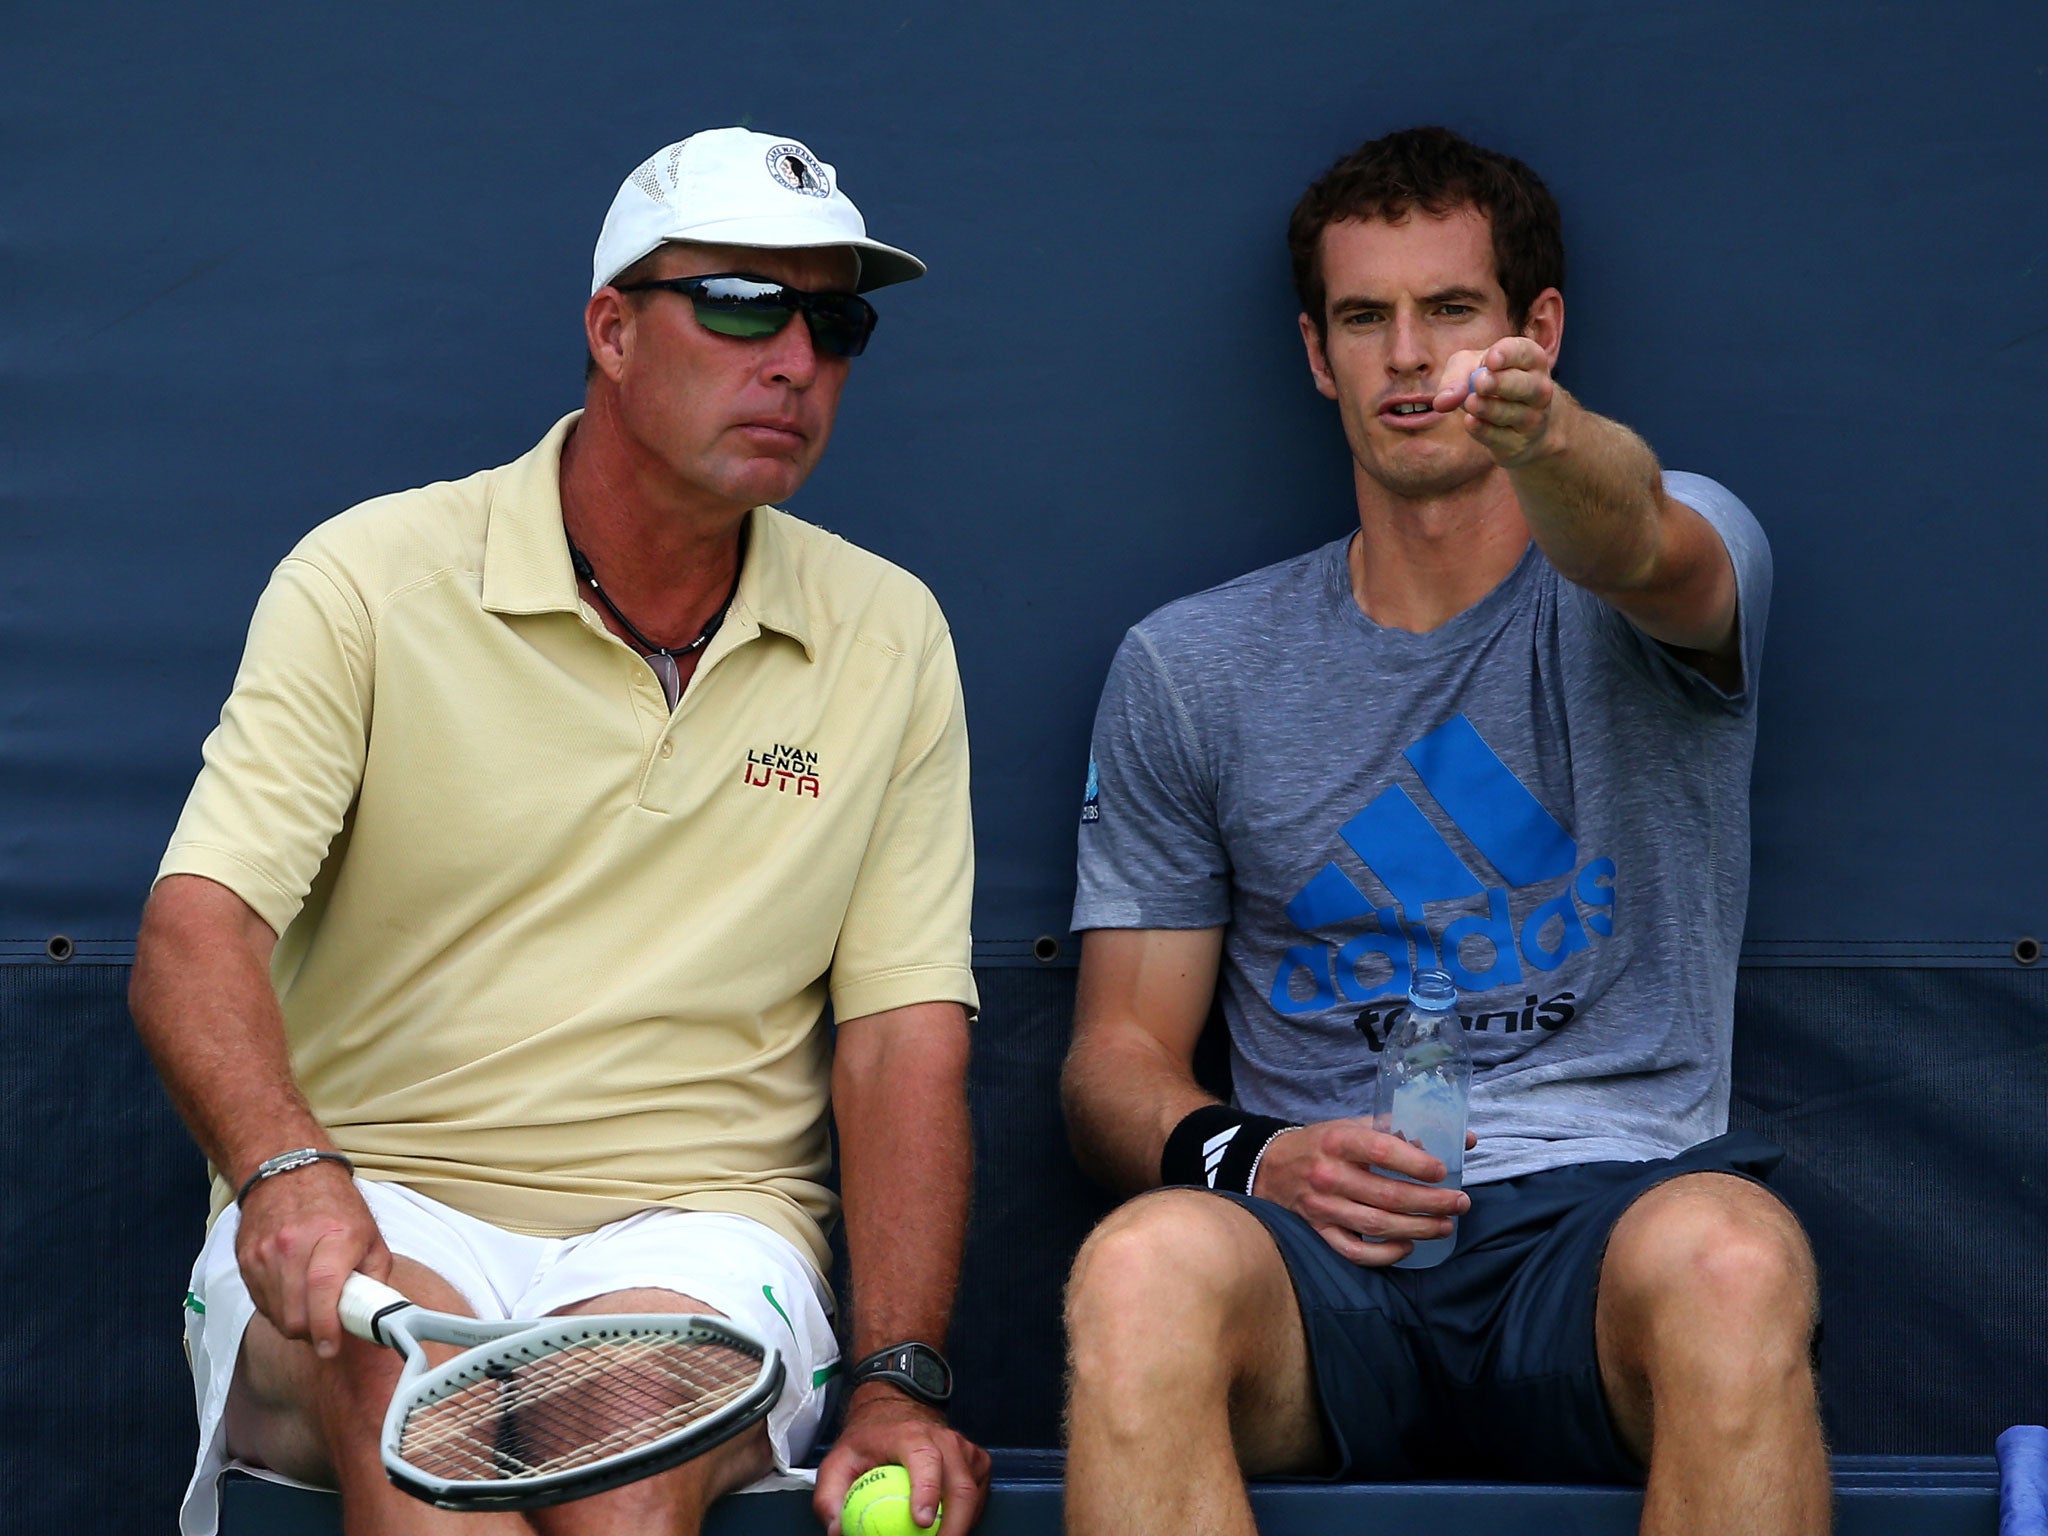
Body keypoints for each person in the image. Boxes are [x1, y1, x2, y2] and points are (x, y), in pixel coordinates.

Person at [132, 127, 990, 1536]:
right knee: (413, 1410)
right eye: (738, 302)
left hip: (699, 1234)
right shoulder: (369, 576)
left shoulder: (889, 632)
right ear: (609, 329)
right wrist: (290, 1171)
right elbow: (192, 932)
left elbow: (904, 1037)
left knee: (620, 1445)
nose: (793, 358)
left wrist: (899, 1378)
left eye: (833, 322)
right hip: (373, 1200)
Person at [1060, 126, 1823, 1536]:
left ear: (1534, 330)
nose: (1409, 355)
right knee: (1140, 1267)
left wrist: (1553, 438)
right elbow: (1116, 1063)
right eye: (1368, 318)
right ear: (1317, 354)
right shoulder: (1193, 665)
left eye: (1451, 312)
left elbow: (1635, 542)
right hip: (1319, 1257)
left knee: (1735, 1258)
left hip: (1599, 1239)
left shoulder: (1669, 551)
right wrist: (1253, 1158)